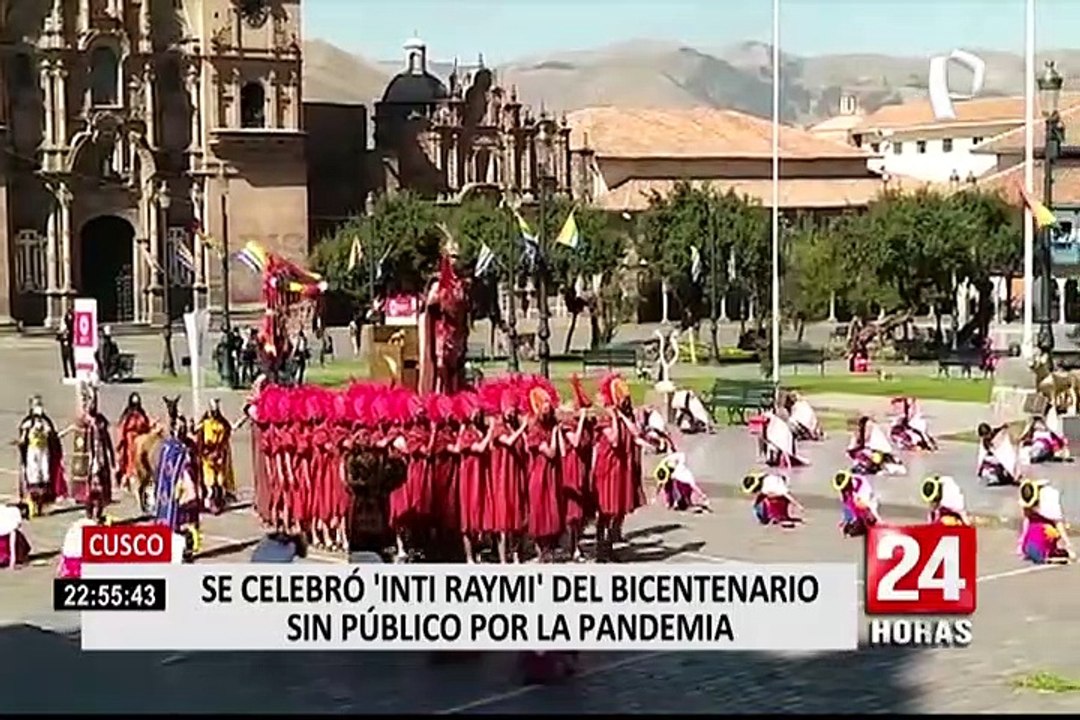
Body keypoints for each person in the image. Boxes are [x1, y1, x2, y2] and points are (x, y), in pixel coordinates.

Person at [67, 383, 115, 521]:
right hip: (87, 461)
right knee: (89, 489)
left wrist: (111, 459)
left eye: (94, 402)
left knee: (101, 488)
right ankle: (88, 513)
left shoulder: (101, 421)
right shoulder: (82, 421)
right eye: (90, 403)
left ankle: (98, 513)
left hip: (99, 459)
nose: (92, 405)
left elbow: (107, 440)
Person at [526, 387, 562, 563]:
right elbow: (551, 452)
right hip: (538, 476)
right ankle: (541, 550)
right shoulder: (535, 431)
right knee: (540, 511)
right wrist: (555, 434)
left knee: (551, 509)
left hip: (551, 475)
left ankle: (548, 548)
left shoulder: (549, 425)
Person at [16, 395, 67, 517]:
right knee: (33, 476)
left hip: (44, 450)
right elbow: (23, 438)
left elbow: (52, 436)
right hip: (32, 450)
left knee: (44, 475)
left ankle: (42, 505)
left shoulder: (46, 422)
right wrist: (21, 442)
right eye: (36, 405)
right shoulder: (28, 423)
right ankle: (32, 505)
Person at [1018, 479, 1074, 564]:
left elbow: (1026, 524)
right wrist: (1068, 544)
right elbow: (1058, 522)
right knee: (1050, 531)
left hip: (1029, 544)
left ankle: (1046, 553)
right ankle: (1048, 555)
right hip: (1042, 537)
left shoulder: (1029, 505)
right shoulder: (1048, 499)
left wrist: (1021, 543)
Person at [194, 398, 235, 513]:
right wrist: (204, 453)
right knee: (210, 481)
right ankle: (211, 502)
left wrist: (219, 452)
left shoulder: (223, 425)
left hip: (219, 456)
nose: (214, 415)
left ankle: (220, 500)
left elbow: (226, 435)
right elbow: (200, 440)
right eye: (212, 412)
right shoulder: (204, 424)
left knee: (220, 480)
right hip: (207, 456)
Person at [115, 392, 151, 493]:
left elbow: (146, 425)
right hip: (129, 442)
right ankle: (127, 480)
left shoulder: (142, 414)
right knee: (129, 460)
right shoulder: (127, 416)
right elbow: (121, 428)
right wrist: (120, 443)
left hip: (140, 441)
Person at [833, 470, 881, 537]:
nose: (844, 489)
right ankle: (857, 521)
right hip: (859, 500)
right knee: (850, 502)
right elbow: (845, 502)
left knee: (857, 502)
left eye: (845, 487)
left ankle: (867, 520)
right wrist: (846, 520)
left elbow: (866, 501)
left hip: (868, 499)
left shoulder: (859, 484)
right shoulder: (845, 490)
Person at [57, 309, 75, 379]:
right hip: (64, 340)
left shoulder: (72, 319)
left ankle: (73, 373)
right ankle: (66, 373)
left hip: (69, 340)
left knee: (70, 358)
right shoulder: (64, 319)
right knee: (64, 358)